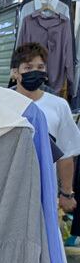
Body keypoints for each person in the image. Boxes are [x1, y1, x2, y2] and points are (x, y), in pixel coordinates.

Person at [10, 42, 80, 213]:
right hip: (8, 187)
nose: (35, 72)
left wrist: (66, 192)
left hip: (44, 189)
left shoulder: (58, 105)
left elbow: (66, 154)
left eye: (40, 67)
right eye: (28, 67)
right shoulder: (0, 102)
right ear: (15, 72)